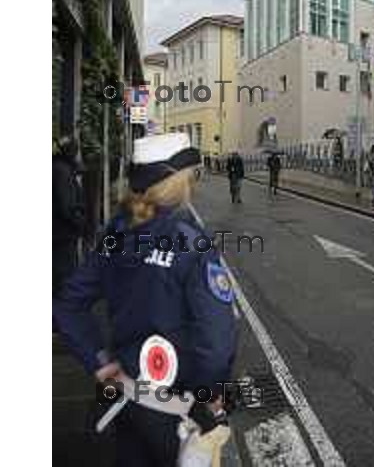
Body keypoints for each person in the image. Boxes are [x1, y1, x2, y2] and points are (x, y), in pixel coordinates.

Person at [53, 133, 237, 466]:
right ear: (175, 181)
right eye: (190, 175)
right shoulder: (192, 244)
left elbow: (68, 305)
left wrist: (100, 361)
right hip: (177, 419)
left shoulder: (116, 233)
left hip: (122, 404)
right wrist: (208, 397)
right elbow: (216, 343)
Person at [53, 135, 85, 297]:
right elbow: (67, 205)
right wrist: (80, 223)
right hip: (63, 233)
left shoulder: (59, 167)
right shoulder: (62, 171)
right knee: (64, 273)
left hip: (60, 231)